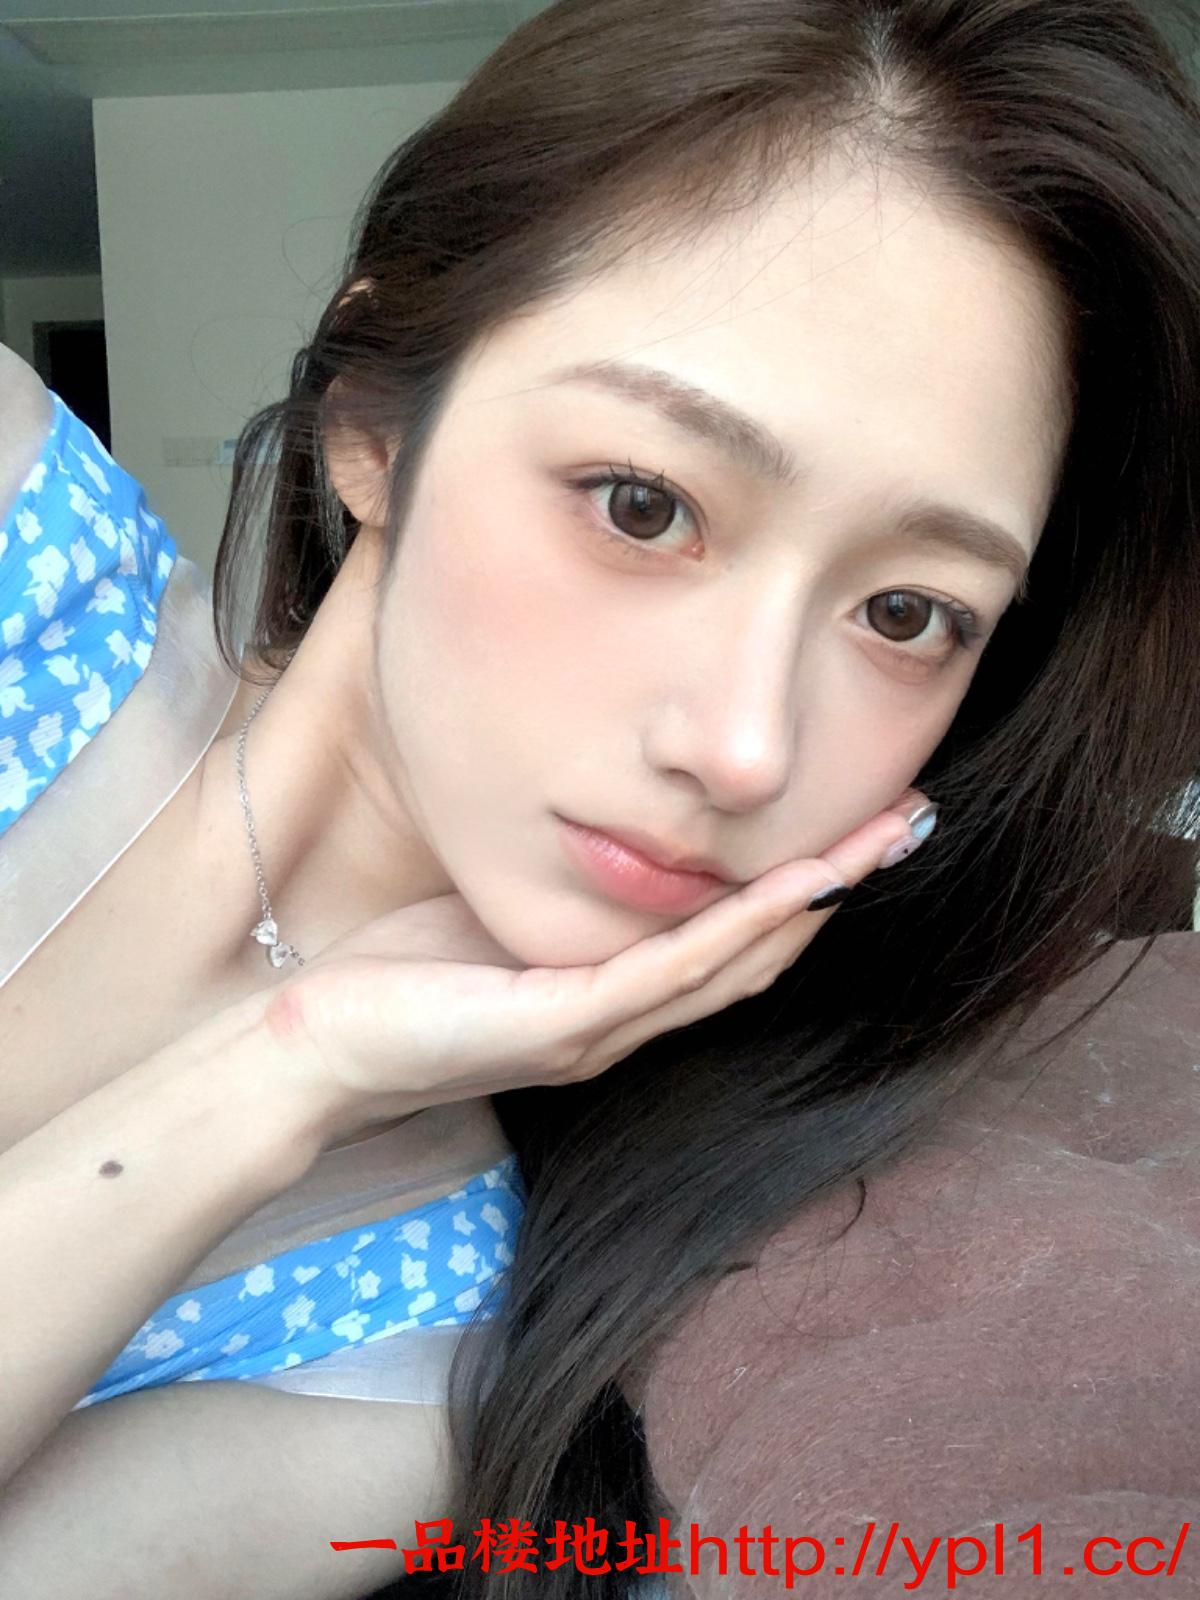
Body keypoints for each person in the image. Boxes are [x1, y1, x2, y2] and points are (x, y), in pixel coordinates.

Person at [2, 0, 1199, 1595]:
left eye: (906, 613)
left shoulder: (393, 1365)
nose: (748, 746)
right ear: (373, 425)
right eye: (644, 504)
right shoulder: (16, 556)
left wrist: (283, 1073)